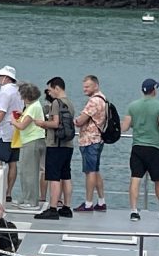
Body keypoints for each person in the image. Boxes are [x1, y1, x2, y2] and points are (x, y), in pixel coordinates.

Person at [125, 77, 159, 220]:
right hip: (154, 149)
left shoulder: (132, 106)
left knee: (135, 179)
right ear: (154, 90)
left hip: (137, 147)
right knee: (158, 180)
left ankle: (134, 211)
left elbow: (126, 126)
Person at [37, 77, 76, 218]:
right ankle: (67, 207)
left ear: (57, 88)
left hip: (55, 144)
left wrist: (41, 123)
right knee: (66, 176)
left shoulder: (55, 103)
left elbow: (55, 123)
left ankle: (52, 208)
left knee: (54, 177)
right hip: (68, 145)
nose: (49, 92)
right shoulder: (70, 103)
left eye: (50, 89)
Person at [75, 74, 112, 214]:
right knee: (95, 170)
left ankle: (88, 203)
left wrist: (75, 121)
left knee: (90, 171)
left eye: (87, 86)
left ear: (96, 85)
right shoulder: (103, 99)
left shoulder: (94, 101)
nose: (85, 89)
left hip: (90, 140)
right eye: (84, 86)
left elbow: (81, 120)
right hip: (98, 139)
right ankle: (101, 201)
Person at [14, 75, 50, 215]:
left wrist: (13, 121)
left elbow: (22, 126)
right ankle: (25, 197)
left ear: (26, 96)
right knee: (24, 170)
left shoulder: (33, 107)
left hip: (32, 141)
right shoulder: (33, 106)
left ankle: (32, 201)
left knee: (30, 172)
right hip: (30, 141)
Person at [0, 66, 24, 204]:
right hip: (15, 131)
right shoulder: (18, 91)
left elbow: (1, 111)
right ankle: (8, 192)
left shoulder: (5, 91)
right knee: (12, 162)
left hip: (3, 132)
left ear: (7, 78)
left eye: (1, 75)